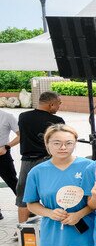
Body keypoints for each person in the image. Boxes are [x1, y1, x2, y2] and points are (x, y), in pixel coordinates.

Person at [16, 91, 64, 223]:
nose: (59, 107)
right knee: (55, 191)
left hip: (27, 161)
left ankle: (22, 227)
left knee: (24, 194)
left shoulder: (23, 116)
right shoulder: (57, 121)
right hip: (49, 160)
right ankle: (56, 220)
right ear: (51, 104)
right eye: (59, 104)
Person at [0, 109, 21, 219]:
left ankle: (25, 207)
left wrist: (6, 147)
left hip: (2, 154)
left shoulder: (7, 116)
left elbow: (21, 135)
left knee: (12, 181)